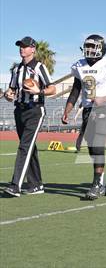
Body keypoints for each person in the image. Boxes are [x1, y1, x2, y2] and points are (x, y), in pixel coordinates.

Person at [62, 34, 106, 200]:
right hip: (88, 110)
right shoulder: (79, 66)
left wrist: (103, 98)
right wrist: (67, 109)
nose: (89, 50)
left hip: (104, 109)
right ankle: (102, 182)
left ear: (101, 48)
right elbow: (76, 90)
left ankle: (96, 185)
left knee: (97, 145)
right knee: (91, 148)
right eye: (87, 46)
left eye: (93, 46)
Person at [3, 36, 56, 197]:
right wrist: (8, 95)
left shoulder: (39, 67)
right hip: (19, 110)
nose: (22, 49)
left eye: (25, 46)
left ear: (33, 49)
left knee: (24, 147)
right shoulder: (17, 69)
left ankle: (15, 185)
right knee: (29, 147)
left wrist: (38, 91)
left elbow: (52, 89)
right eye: (20, 46)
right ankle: (36, 184)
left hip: (35, 111)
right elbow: (11, 90)